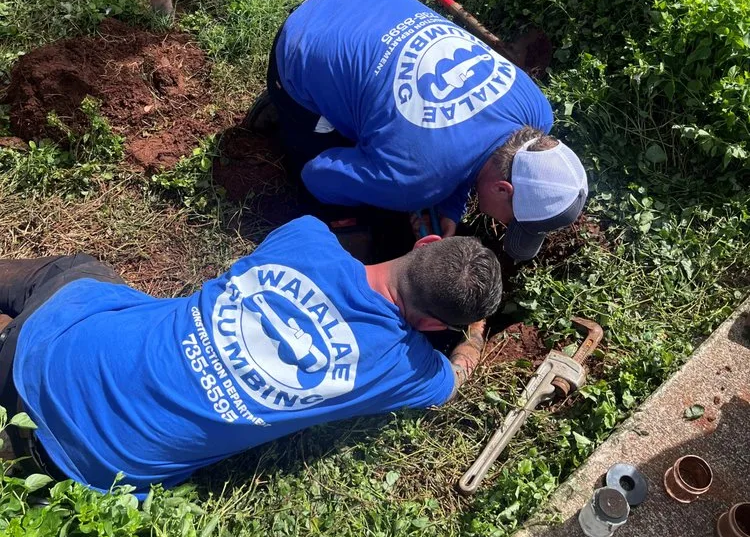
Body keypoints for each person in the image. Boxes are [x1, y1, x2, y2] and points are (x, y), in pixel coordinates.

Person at [0, 217, 502, 499]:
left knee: (75, 273)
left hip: (49, 356)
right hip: (80, 473)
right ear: (434, 325)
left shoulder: (305, 235)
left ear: (427, 241)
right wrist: (474, 337)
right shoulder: (404, 368)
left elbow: (337, 260)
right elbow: (455, 378)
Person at [266, 0, 588, 262]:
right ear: (503, 189)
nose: (505, 225)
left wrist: (450, 204)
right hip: (302, 38)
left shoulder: (537, 109)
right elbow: (318, 174)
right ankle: (289, 102)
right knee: (333, 183)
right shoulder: (415, 183)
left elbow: (474, 138)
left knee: (385, 138)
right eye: (510, 221)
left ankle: (333, 93)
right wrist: (400, 192)